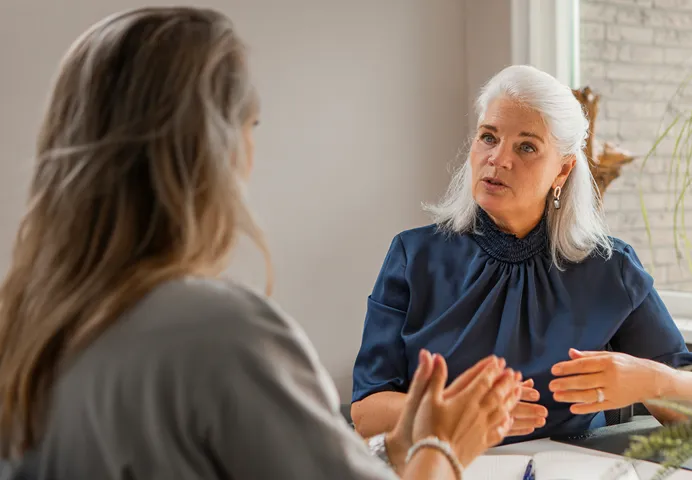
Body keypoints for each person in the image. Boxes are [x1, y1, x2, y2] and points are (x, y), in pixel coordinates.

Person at [0, 7, 521, 480]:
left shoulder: (27, 329)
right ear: (215, 149)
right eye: (251, 124)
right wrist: (442, 449)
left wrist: (397, 449)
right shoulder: (222, 334)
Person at [350, 65, 692, 444]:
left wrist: (650, 381)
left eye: (526, 147)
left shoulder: (611, 268)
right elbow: (366, 412)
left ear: (563, 170)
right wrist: (454, 414)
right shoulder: (414, 257)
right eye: (488, 137)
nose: (498, 158)